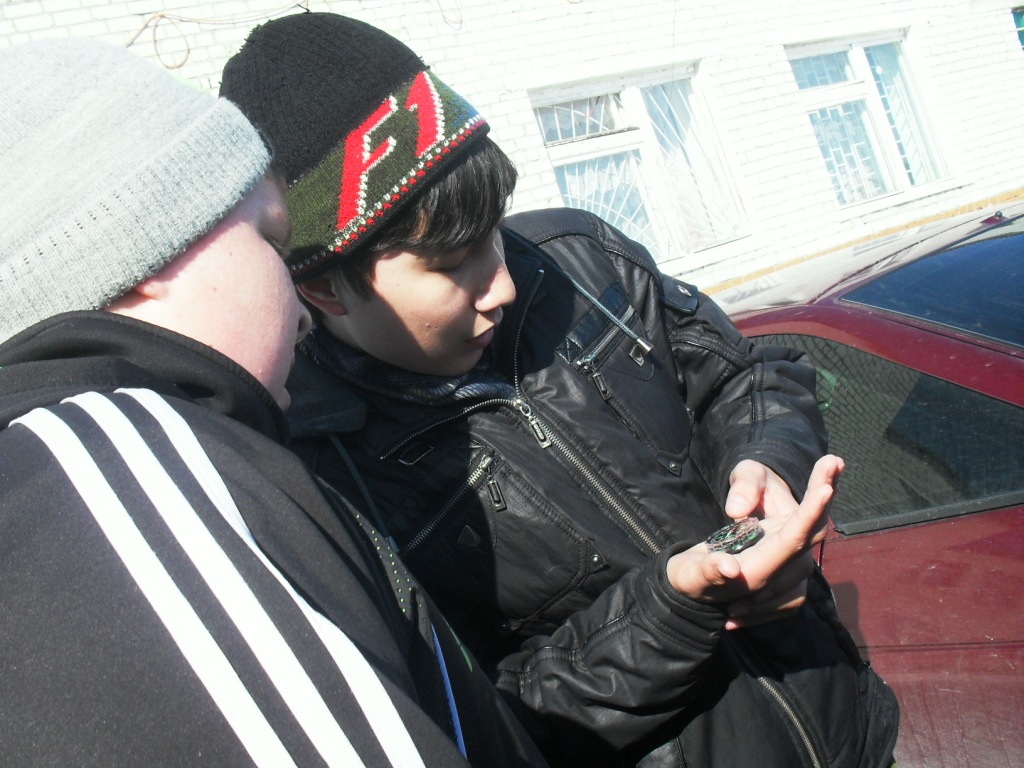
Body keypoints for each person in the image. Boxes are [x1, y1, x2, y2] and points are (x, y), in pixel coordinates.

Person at [220, 13, 899, 768]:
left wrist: (767, 458)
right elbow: (480, 720)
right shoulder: (324, 472)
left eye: (494, 230)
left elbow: (750, 374)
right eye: (452, 263)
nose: (504, 285)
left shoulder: (577, 259)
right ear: (323, 285)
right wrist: (677, 612)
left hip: (855, 731)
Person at [0, 38, 551, 767]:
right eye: (271, 239)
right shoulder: (123, 467)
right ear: (146, 256)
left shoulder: (137, 470)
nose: (298, 307)